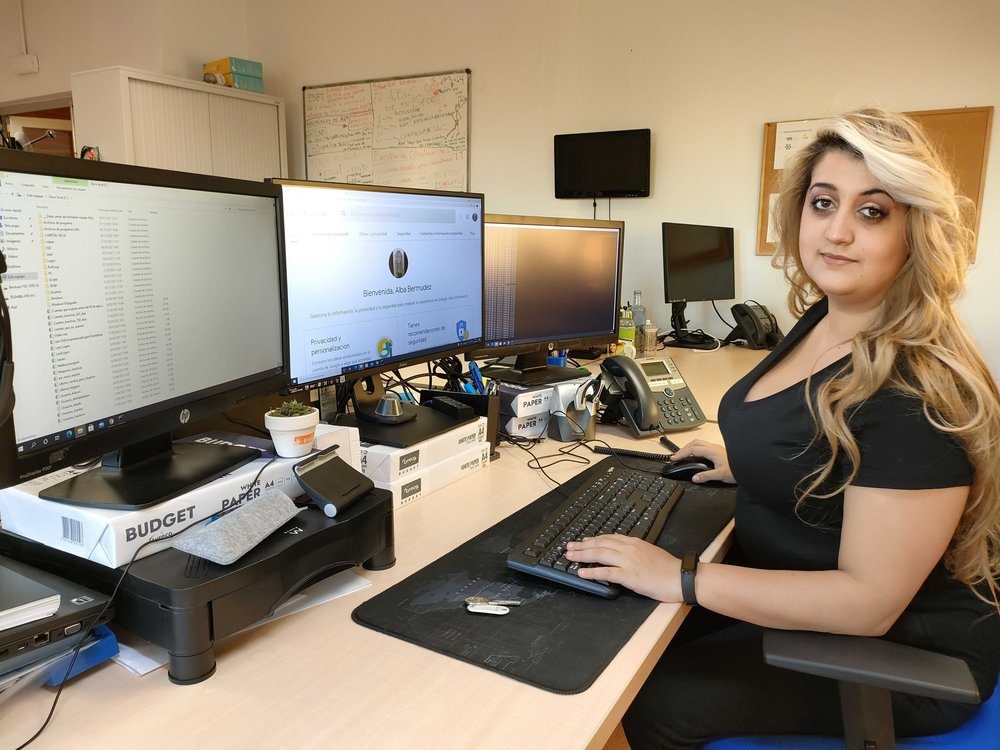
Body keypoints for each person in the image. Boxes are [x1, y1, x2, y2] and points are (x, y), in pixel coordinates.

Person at [565, 108, 1000, 748]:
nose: (838, 232)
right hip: (809, 595)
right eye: (823, 203)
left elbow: (869, 605)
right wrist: (746, 461)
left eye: (873, 212)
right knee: (615, 632)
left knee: (647, 696)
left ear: (917, 231)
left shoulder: (913, 392)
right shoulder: (829, 316)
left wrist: (678, 577)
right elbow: (836, 449)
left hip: (901, 653)